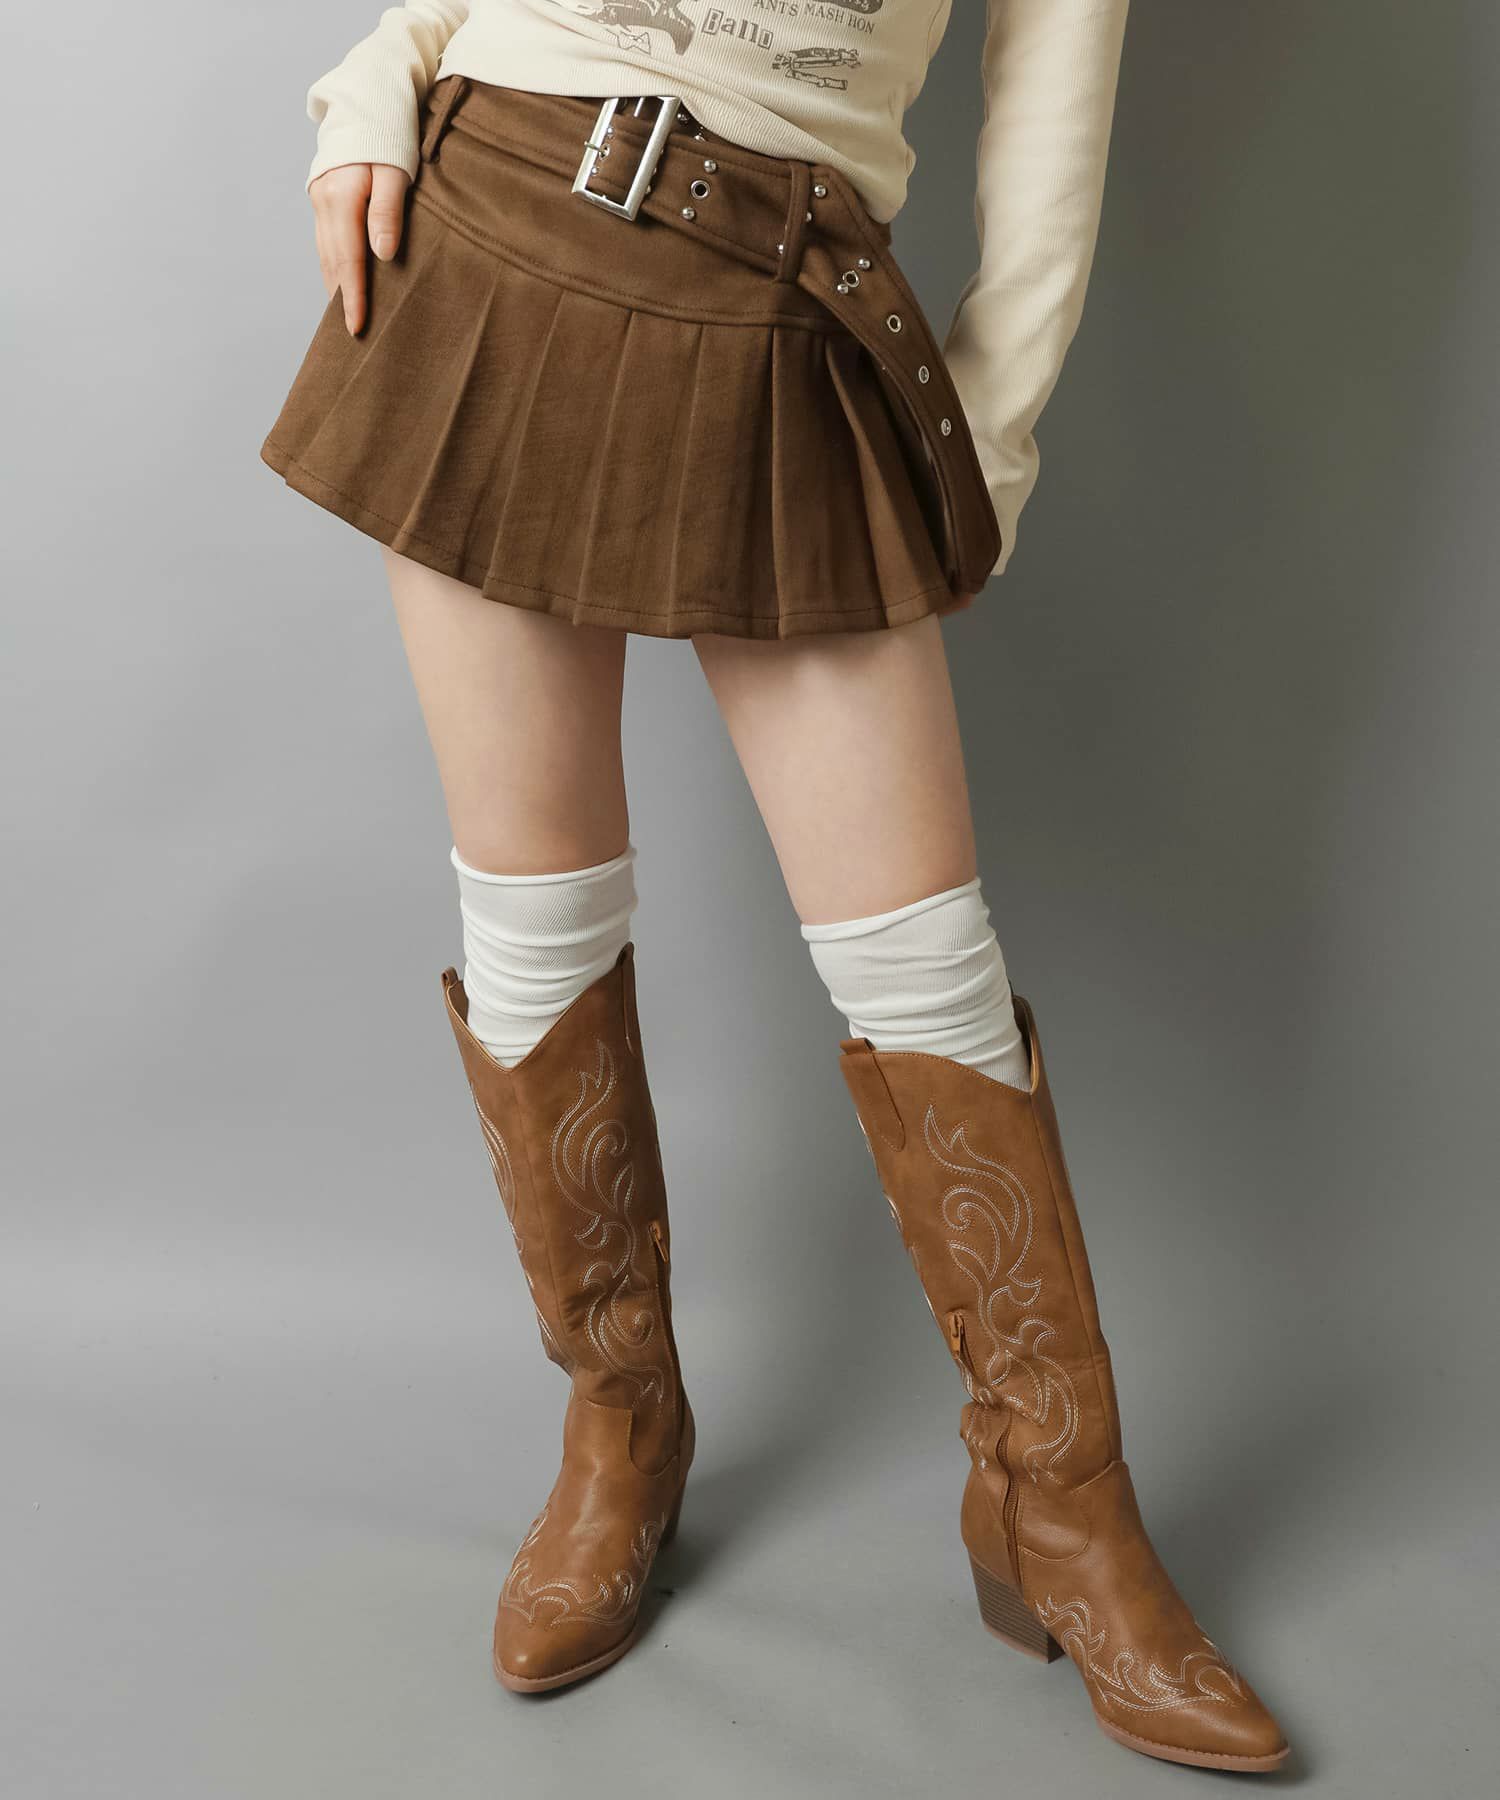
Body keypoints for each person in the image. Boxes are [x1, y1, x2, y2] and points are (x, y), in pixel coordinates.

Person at [260, 1, 1289, 1772]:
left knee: (924, 967)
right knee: (533, 916)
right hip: (492, 216)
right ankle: (621, 1423)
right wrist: (375, 74)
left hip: (781, 291)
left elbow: (1055, 113)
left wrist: (986, 443)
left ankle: (1059, 1502)